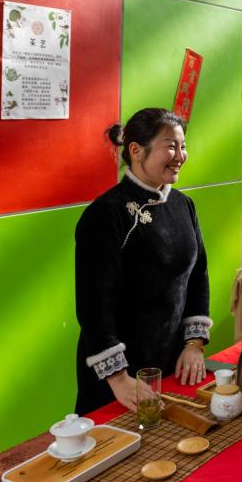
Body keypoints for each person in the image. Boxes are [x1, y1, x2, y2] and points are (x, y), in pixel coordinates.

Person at [74, 108, 212, 415]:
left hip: (172, 361)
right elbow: (93, 307)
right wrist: (119, 378)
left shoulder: (183, 204)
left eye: (183, 145)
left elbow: (197, 276)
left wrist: (193, 345)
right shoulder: (105, 214)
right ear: (135, 150)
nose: (180, 155)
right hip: (119, 377)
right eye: (171, 146)